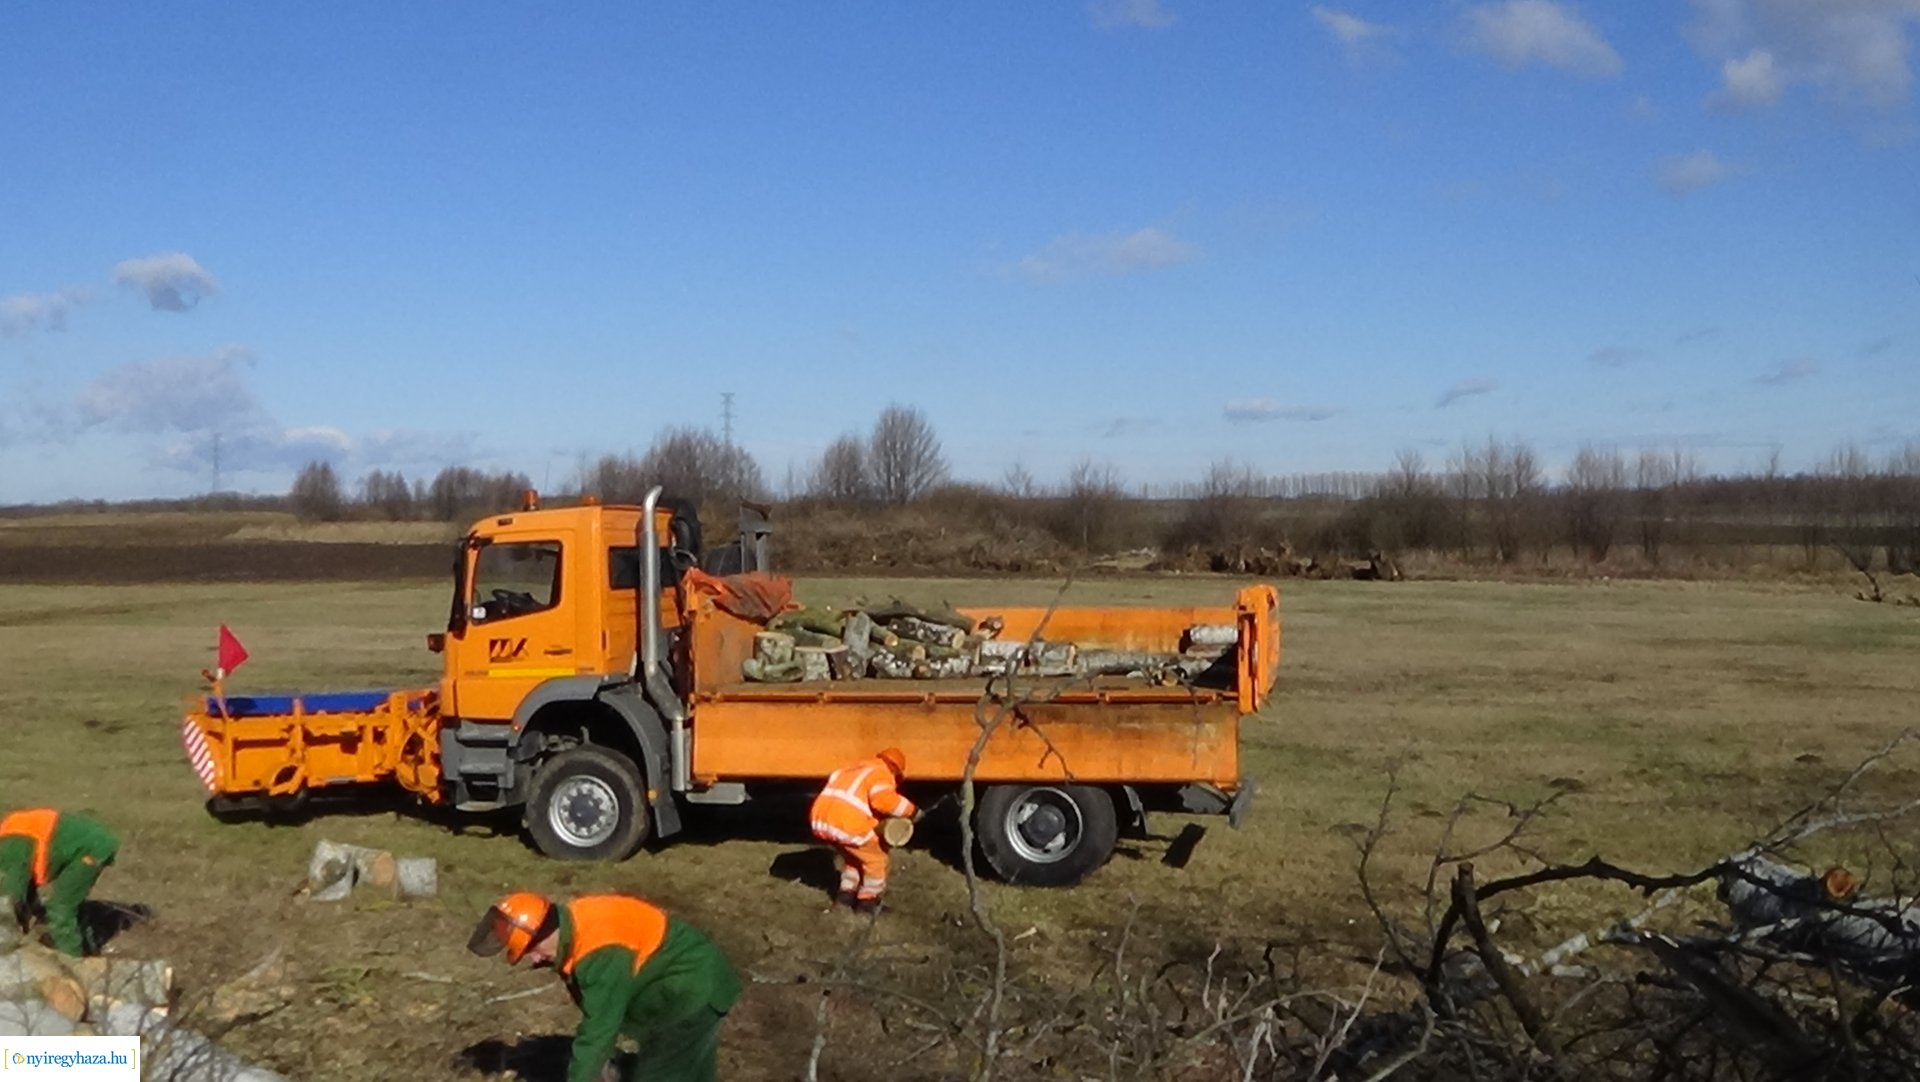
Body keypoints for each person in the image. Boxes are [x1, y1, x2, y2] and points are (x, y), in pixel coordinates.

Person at [467, 892, 740, 1082]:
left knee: (659, 1075)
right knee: (687, 1071)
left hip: (692, 991)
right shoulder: (573, 924)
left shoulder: (598, 954)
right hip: (688, 981)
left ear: (547, 930)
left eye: (533, 950)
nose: (535, 959)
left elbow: (598, 1030)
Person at [809, 747, 918, 914]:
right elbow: (884, 801)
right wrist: (911, 811)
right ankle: (868, 902)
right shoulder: (881, 773)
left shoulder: (853, 768)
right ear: (895, 769)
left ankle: (845, 897)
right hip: (846, 823)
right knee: (876, 860)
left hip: (821, 819)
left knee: (854, 858)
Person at [0, 807, 120, 957]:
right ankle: (86, 947)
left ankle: (73, 960)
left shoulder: (10, 852)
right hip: (75, 842)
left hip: (90, 848)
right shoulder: (8, 844)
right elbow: (23, 892)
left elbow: (10, 900)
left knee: (61, 908)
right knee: (47, 908)